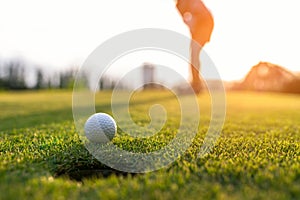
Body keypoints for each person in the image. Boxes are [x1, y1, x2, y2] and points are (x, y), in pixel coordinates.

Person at [176, 0, 214, 93]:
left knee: (194, 53)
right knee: (194, 54)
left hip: (205, 23)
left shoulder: (186, 3)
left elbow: (197, 14)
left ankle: (196, 84)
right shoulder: (179, 5)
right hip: (198, 26)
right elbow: (188, 21)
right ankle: (196, 83)